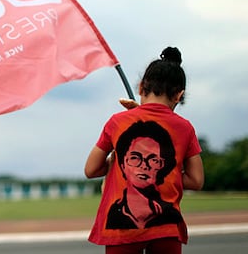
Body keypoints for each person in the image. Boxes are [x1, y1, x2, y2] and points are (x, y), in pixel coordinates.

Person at [84, 47, 204, 254]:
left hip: (120, 231)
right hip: (167, 227)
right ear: (179, 95)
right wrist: (166, 173)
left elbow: (91, 170)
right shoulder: (185, 127)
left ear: (141, 87)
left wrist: (117, 162)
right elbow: (196, 180)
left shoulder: (117, 122)